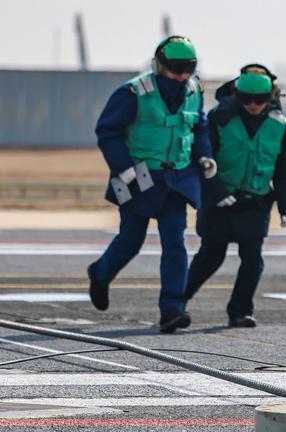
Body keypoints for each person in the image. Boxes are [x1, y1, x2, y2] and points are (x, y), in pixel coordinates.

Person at [87, 35, 216, 334]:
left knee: (175, 242)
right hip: (138, 177)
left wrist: (206, 156)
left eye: (187, 69)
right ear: (159, 65)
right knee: (130, 241)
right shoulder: (134, 92)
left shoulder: (194, 91)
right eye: (174, 69)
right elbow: (107, 131)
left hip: (177, 179)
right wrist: (125, 169)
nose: (180, 75)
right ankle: (100, 273)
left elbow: (199, 127)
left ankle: (172, 310)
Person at [184, 64, 286, 328]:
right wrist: (216, 193)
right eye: (246, 98)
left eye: (259, 99)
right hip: (219, 204)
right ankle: (175, 303)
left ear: (270, 97)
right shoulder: (218, 118)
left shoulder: (279, 125)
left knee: (252, 261)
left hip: (256, 203)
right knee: (209, 258)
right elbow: (201, 159)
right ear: (238, 95)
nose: (253, 104)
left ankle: (240, 311)